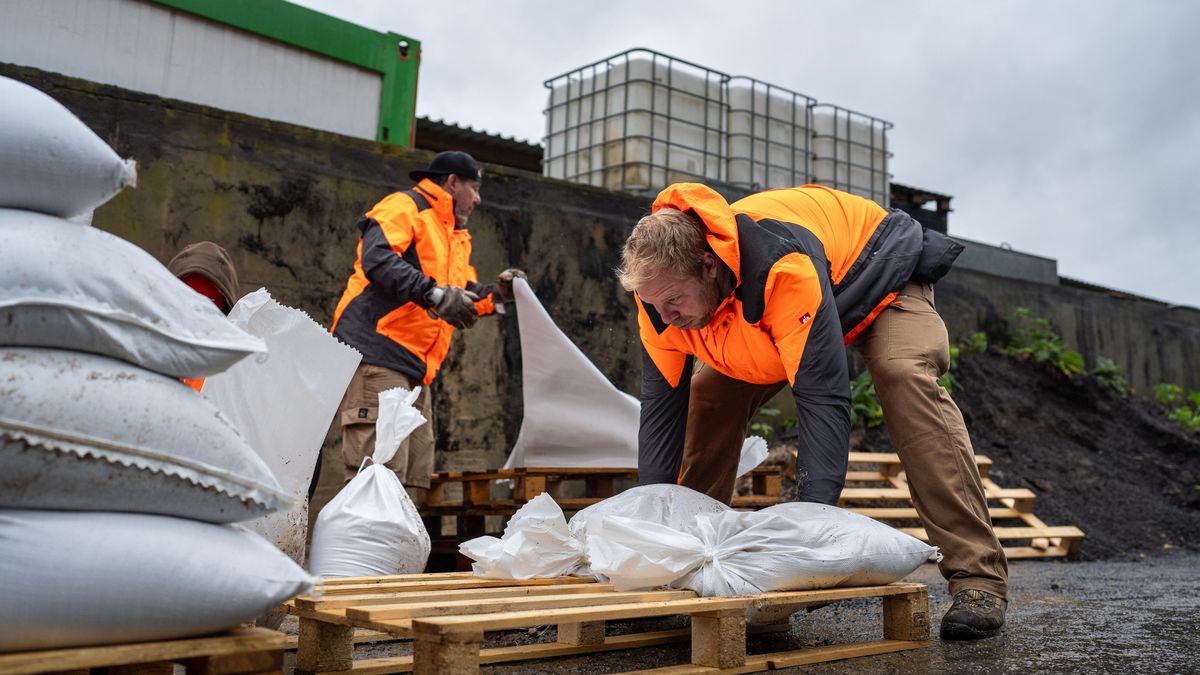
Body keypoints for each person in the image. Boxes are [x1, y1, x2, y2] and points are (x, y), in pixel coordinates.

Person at [616, 182, 1008, 640]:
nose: (664, 317)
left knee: (902, 375)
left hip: (876, 272)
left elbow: (822, 398)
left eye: (673, 302)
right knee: (708, 397)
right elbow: (663, 415)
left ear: (707, 266)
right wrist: (649, 535)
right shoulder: (661, 297)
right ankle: (685, 563)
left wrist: (811, 534)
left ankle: (978, 578)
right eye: (654, 305)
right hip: (776, 309)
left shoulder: (778, 267)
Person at [330, 151, 524, 504]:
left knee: (413, 480)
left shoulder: (454, 235)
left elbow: (463, 295)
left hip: (417, 368)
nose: (479, 199)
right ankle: (368, 559)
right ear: (452, 182)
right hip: (378, 352)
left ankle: (396, 558)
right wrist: (434, 295)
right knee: (377, 473)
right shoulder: (404, 207)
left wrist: (500, 294)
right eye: (474, 188)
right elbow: (378, 259)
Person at [167, 241, 241, 391]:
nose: (196, 315)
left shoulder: (237, 376)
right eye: (186, 299)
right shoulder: (143, 355)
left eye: (209, 304)